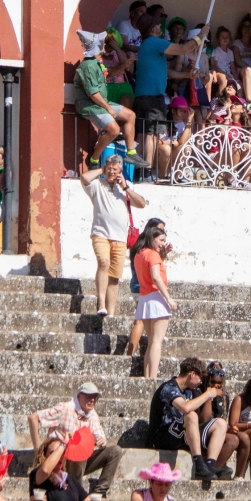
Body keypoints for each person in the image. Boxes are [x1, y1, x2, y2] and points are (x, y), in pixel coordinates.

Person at [134, 14, 210, 171]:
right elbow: (183, 49)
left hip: (142, 94)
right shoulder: (153, 42)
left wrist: (186, 75)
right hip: (153, 96)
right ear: (153, 28)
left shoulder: (147, 45)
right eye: (158, 24)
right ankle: (147, 170)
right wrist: (201, 36)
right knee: (152, 134)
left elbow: (167, 72)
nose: (160, 27)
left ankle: (139, 172)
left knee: (142, 133)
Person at [28, 382, 123, 498]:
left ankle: (99, 492)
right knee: (78, 452)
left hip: (80, 463)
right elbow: (33, 418)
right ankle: (76, 494)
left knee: (115, 451)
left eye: (95, 397)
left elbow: (99, 436)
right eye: (88, 396)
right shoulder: (64, 408)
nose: (92, 400)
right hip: (59, 460)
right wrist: (38, 451)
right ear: (78, 396)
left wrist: (101, 441)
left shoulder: (93, 415)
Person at [81, 154, 147, 316]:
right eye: (109, 168)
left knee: (115, 277)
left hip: (120, 237)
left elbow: (141, 204)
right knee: (103, 263)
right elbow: (84, 178)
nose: (111, 171)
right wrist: (101, 170)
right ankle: (101, 304)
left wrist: (125, 187)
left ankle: (110, 313)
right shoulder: (97, 185)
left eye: (114, 169)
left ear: (120, 170)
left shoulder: (125, 186)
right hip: (100, 234)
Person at [148, 357, 228, 481]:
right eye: (200, 377)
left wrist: (209, 398)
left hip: (181, 433)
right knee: (191, 415)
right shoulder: (169, 387)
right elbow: (185, 408)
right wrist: (208, 394)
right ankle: (199, 465)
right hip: (163, 436)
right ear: (192, 374)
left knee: (221, 424)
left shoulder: (190, 391)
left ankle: (210, 467)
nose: (201, 382)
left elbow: (203, 418)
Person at [73, 30, 141, 168]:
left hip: (99, 103)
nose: (105, 44)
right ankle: (94, 159)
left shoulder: (96, 63)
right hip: (90, 105)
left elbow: (109, 73)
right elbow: (93, 93)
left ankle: (131, 153)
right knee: (114, 130)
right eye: (102, 42)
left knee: (130, 115)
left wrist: (124, 65)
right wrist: (108, 108)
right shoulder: (88, 66)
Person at [134, 225, 176, 378]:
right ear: (152, 238)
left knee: (151, 342)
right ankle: (152, 378)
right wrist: (169, 299)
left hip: (144, 298)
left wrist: (162, 255)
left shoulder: (140, 253)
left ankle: (147, 376)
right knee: (156, 342)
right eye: (161, 240)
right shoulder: (152, 255)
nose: (163, 243)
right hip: (156, 298)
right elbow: (156, 277)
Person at [126, 217, 168, 357]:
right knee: (139, 323)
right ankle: (129, 355)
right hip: (143, 287)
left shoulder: (139, 246)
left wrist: (163, 254)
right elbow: (152, 269)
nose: (162, 232)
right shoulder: (146, 249)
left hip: (137, 286)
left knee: (141, 322)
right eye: (160, 229)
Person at [30, 438, 104, 501]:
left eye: (62, 453)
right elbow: (45, 471)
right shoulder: (37, 474)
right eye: (53, 453)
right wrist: (63, 444)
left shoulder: (70, 480)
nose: (59, 456)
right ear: (45, 456)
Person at [196, 362, 238, 479]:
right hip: (199, 432)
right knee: (220, 424)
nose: (216, 386)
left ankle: (216, 469)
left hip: (217, 431)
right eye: (213, 382)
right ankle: (209, 467)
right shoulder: (199, 392)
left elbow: (223, 417)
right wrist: (209, 396)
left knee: (235, 439)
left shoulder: (225, 396)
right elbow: (204, 419)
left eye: (219, 383)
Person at [154, 98, 195, 181]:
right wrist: (171, 143)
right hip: (157, 156)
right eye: (181, 111)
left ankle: (177, 177)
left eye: (184, 111)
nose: (183, 114)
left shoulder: (181, 124)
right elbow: (155, 142)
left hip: (170, 155)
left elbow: (182, 142)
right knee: (166, 149)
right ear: (173, 110)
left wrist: (188, 123)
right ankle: (163, 177)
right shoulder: (163, 122)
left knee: (187, 148)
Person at [102, 29, 135, 111]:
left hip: (121, 87)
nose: (109, 45)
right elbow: (105, 72)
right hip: (105, 87)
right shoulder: (99, 56)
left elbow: (127, 66)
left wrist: (116, 48)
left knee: (126, 102)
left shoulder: (119, 53)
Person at [232, 15, 251, 103]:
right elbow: (238, 60)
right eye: (245, 27)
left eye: (250, 27)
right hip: (242, 70)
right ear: (241, 29)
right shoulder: (236, 43)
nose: (247, 29)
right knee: (248, 71)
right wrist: (250, 68)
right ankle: (249, 101)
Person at [210, 27, 240, 94]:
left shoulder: (230, 52)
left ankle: (238, 100)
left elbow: (232, 66)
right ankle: (220, 99)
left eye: (227, 37)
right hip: (219, 73)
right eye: (223, 37)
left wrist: (234, 74)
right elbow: (215, 66)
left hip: (228, 74)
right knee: (223, 81)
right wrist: (224, 74)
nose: (225, 38)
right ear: (218, 39)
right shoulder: (216, 51)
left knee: (238, 83)